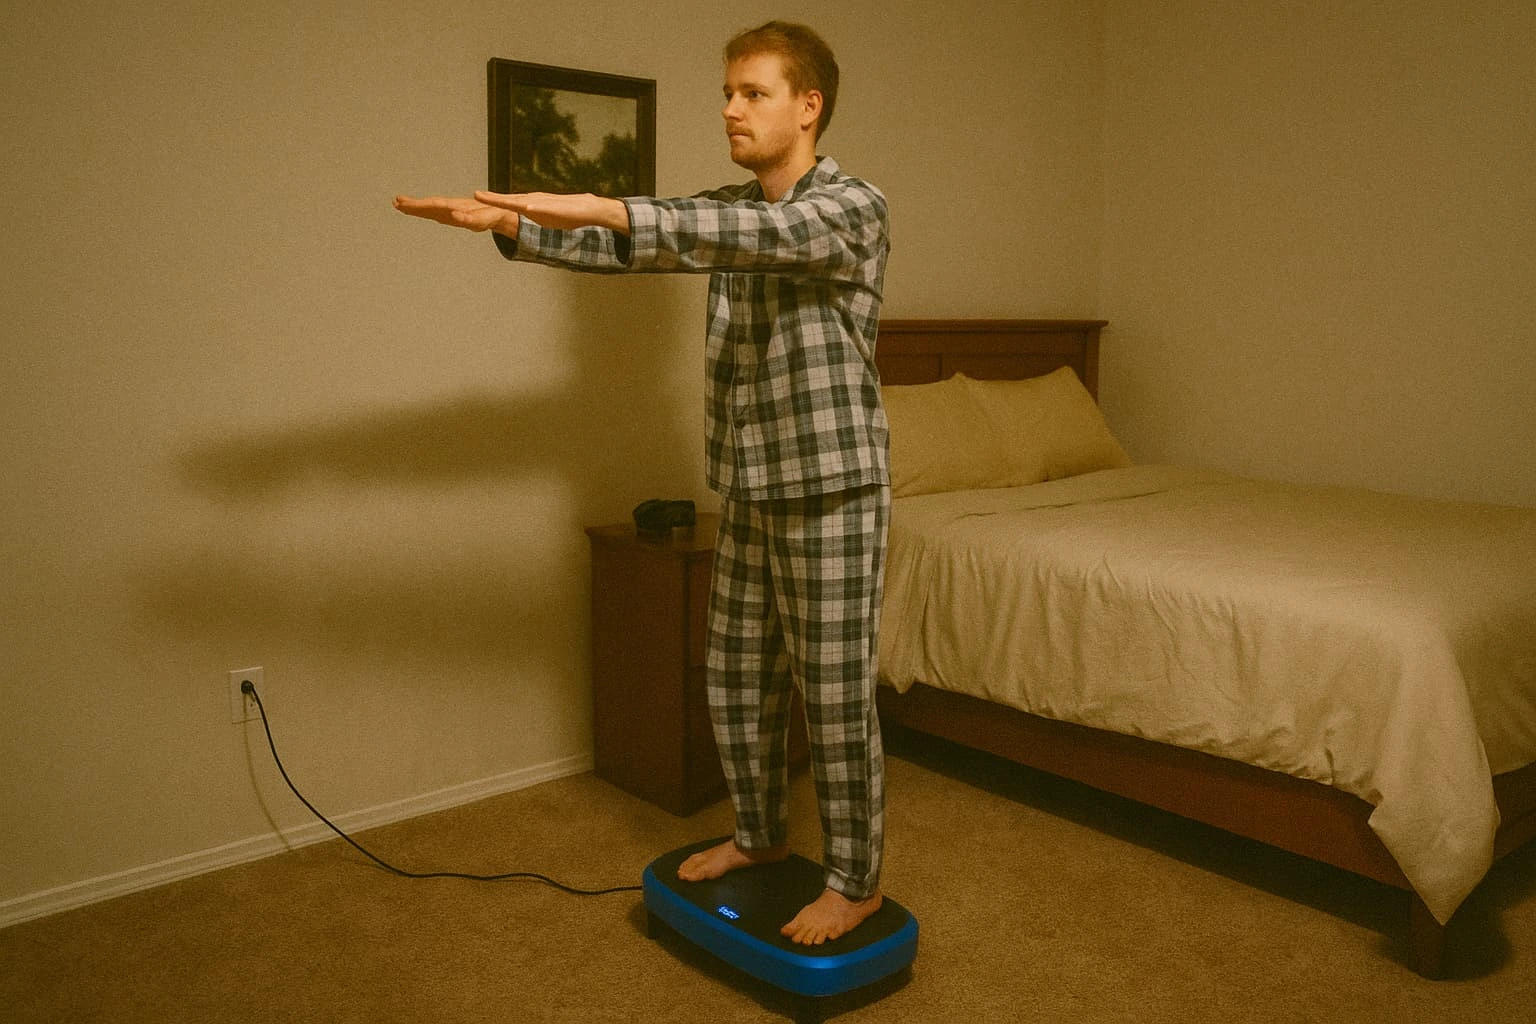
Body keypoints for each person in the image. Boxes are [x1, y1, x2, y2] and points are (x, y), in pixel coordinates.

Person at [395, 21, 890, 946]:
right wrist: (516, 225)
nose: (730, 108)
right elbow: (647, 246)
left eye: (752, 93)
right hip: (747, 486)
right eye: (728, 92)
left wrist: (594, 200)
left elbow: (746, 234)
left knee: (831, 695)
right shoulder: (734, 208)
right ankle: (760, 838)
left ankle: (856, 880)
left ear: (807, 105)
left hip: (832, 491)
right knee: (738, 681)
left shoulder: (850, 206)